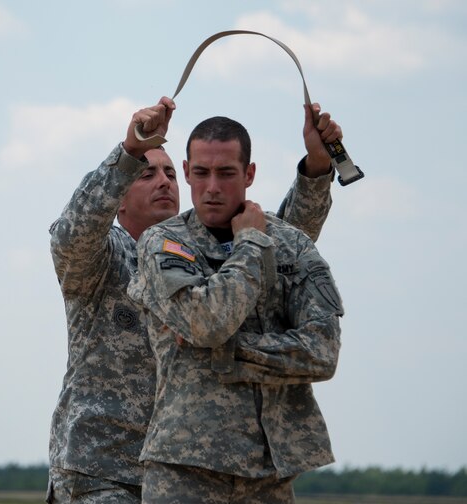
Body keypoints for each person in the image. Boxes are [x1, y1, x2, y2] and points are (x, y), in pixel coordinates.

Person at [47, 96, 342, 503]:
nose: (163, 181)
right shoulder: (101, 260)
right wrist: (129, 150)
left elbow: (270, 250)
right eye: (146, 174)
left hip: (196, 462)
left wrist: (317, 169)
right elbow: (72, 235)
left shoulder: (198, 254)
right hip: (104, 469)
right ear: (118, 196)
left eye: (170, 173)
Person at [128, 115, 344, 504]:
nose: (212, 187)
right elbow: (207, 323)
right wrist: (249, 243)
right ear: (187, 173)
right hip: (183, 470)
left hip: (269, 475)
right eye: (201, 173)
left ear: (249, 174)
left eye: (226, 173)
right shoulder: (162, 243)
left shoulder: (291, 244)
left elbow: (322, 352)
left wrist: (224, 351)